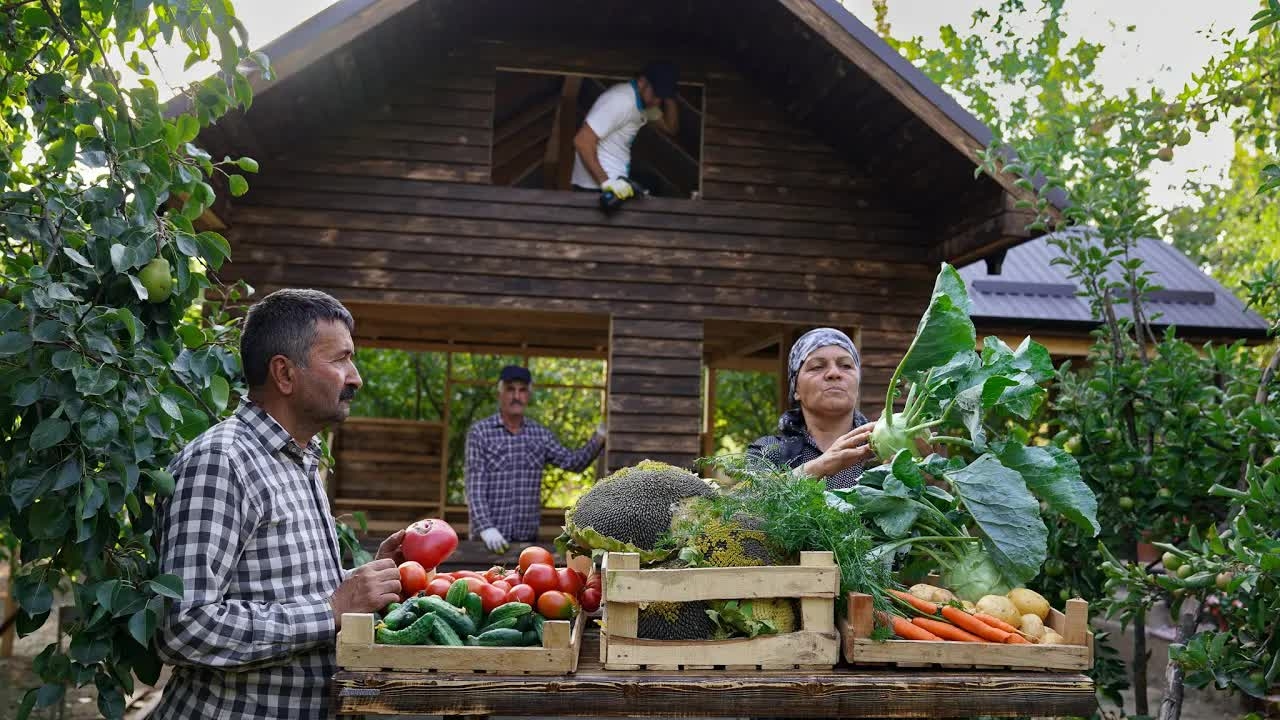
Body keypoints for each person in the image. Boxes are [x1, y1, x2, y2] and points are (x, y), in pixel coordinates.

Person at [153, 289, 406, 719]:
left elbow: (280, 589)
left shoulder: (298, 458)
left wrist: (362, 582)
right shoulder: (222, 461)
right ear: (284, 374)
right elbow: (185, 626)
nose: (356, 376)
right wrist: (333, 610)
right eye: (340, 359)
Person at [466, 365, 606, 553]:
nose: (516, 395)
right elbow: (474, 486)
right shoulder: (480, 433)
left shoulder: (540, 435)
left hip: (526, 542)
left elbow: (574, 463)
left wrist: (599, 436)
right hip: (486, 541)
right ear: (500, 393)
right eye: (510, 389)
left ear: (528, 395)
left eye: (522, 390)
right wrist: (485, 527)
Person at [747, 328, 878, 489]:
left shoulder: (881, 448)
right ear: (796, 389)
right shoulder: (769, 451)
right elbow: (748, 501)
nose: (834, 373)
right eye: (817, 366)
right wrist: (820, 467)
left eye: (846, 365)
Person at [571, 60, 680, 202]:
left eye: (662, 97)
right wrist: (607, 183)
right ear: (642, 82)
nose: (658, 101)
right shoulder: (620, 100)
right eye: (656, 94)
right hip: (597, 187)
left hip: (613, 183)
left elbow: (670, 128)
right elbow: (582, 141)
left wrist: (670, 97)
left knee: (652, 183)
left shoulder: (644, 104)